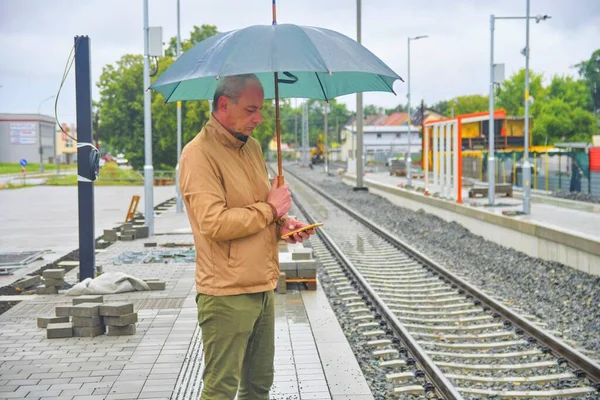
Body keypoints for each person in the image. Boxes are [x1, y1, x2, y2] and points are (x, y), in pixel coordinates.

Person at [179, 73, 316, 400]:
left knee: (258, 386)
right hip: (226, 294)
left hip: (262, 286)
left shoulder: (251, 147)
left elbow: (257, 206)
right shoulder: (198, 154)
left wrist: (283, 224)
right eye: (251, 109)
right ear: (224, 104)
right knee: (221, 390)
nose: (259, 118)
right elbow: (214, 223)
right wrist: (270, 211)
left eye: (262, 109)